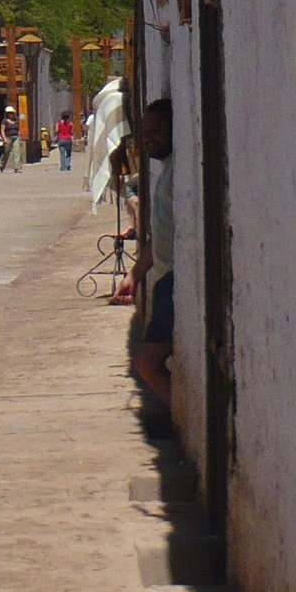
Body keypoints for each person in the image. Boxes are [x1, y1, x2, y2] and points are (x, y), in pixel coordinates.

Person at [130, 100, 175, 404]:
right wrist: (134, 275)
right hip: (163, 282)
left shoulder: (177, 177)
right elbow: (158, 236)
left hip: (172, 283)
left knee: (147, 362)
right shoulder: (167, 174)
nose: (149, 138)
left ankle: (179, 417)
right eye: (145, 132)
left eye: (158, 131)